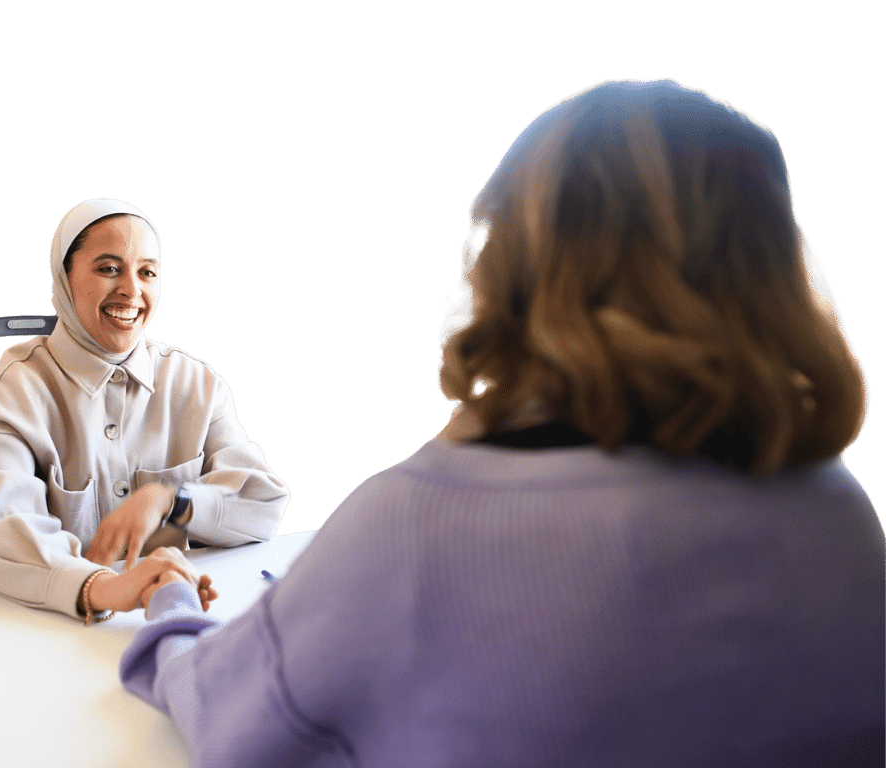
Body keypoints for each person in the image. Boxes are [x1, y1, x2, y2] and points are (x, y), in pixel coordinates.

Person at [119, 80, 884, 766]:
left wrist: (170, 599)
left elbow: (230, 714)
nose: (131, 292)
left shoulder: (419, 522)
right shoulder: (838, 515)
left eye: (144, 270)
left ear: (518, 259)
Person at [0, 199, 287, 622]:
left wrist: (173, 499)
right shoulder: (14, 390)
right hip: (43, 628)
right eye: (109, 268)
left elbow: (263, 504)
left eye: (147, 271)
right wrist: (105, 587)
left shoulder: (196, 383)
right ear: (65, 277)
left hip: (170, 609)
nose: (132, 290)